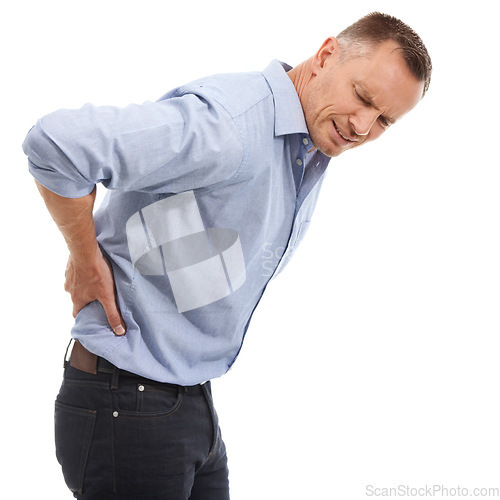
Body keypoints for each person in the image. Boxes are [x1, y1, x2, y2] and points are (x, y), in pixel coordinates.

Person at [23, 11, 432, 500]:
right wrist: (84, 257)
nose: (364, 125)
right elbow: (57, 144)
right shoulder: (230, 126)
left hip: (187, 400)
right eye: (363, 97)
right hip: (127, 403)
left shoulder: (307, 145)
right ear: (325, 57)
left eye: (384, 119)